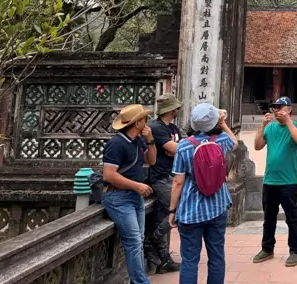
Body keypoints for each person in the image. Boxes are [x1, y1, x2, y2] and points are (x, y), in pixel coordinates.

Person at [168, 104, 237, 284]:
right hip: (217, 206)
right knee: (216, 256)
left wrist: (172, 210)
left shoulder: (183, 146)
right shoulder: (222, 140)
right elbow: (235, 142)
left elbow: (178, 181)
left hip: (191, 211)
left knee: (190, 260)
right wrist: (223, 124)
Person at [101, 104, 157, 284]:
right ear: (137, 122)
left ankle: (137, 280)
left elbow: (152, 160)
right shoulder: (116, 144)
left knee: (138, 240)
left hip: (134, 196)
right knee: (133, 240)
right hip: (118, 197)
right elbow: (109, 175)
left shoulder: (138, 141)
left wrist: (150, 140)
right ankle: (141, 282)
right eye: (144, 119)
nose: (147, 122)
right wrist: (136, 186)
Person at [252, 97, 297, 268]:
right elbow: (258, 146)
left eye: (280, 107)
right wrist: (262, 125)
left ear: (289, 109)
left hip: (288, 181)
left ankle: (295, 250)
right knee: (269, 218)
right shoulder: (271, 128)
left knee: (292, 218)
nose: (276, 111)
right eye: (274, 108)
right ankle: (267, 248)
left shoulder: (296, 126)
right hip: (270, 181)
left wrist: (288, 120)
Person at [144, 93, 182, 275]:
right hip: (160, 176)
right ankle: (151, 239)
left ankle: (164, 259)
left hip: (172, 175)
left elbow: (178, 150)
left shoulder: (173, 128)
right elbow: (176, 149)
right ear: (170, 109)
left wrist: (173, 150)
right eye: (175, 107)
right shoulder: (156, 127)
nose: (178, 110)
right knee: (177, 211)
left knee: (162, 217)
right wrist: (173, 150)